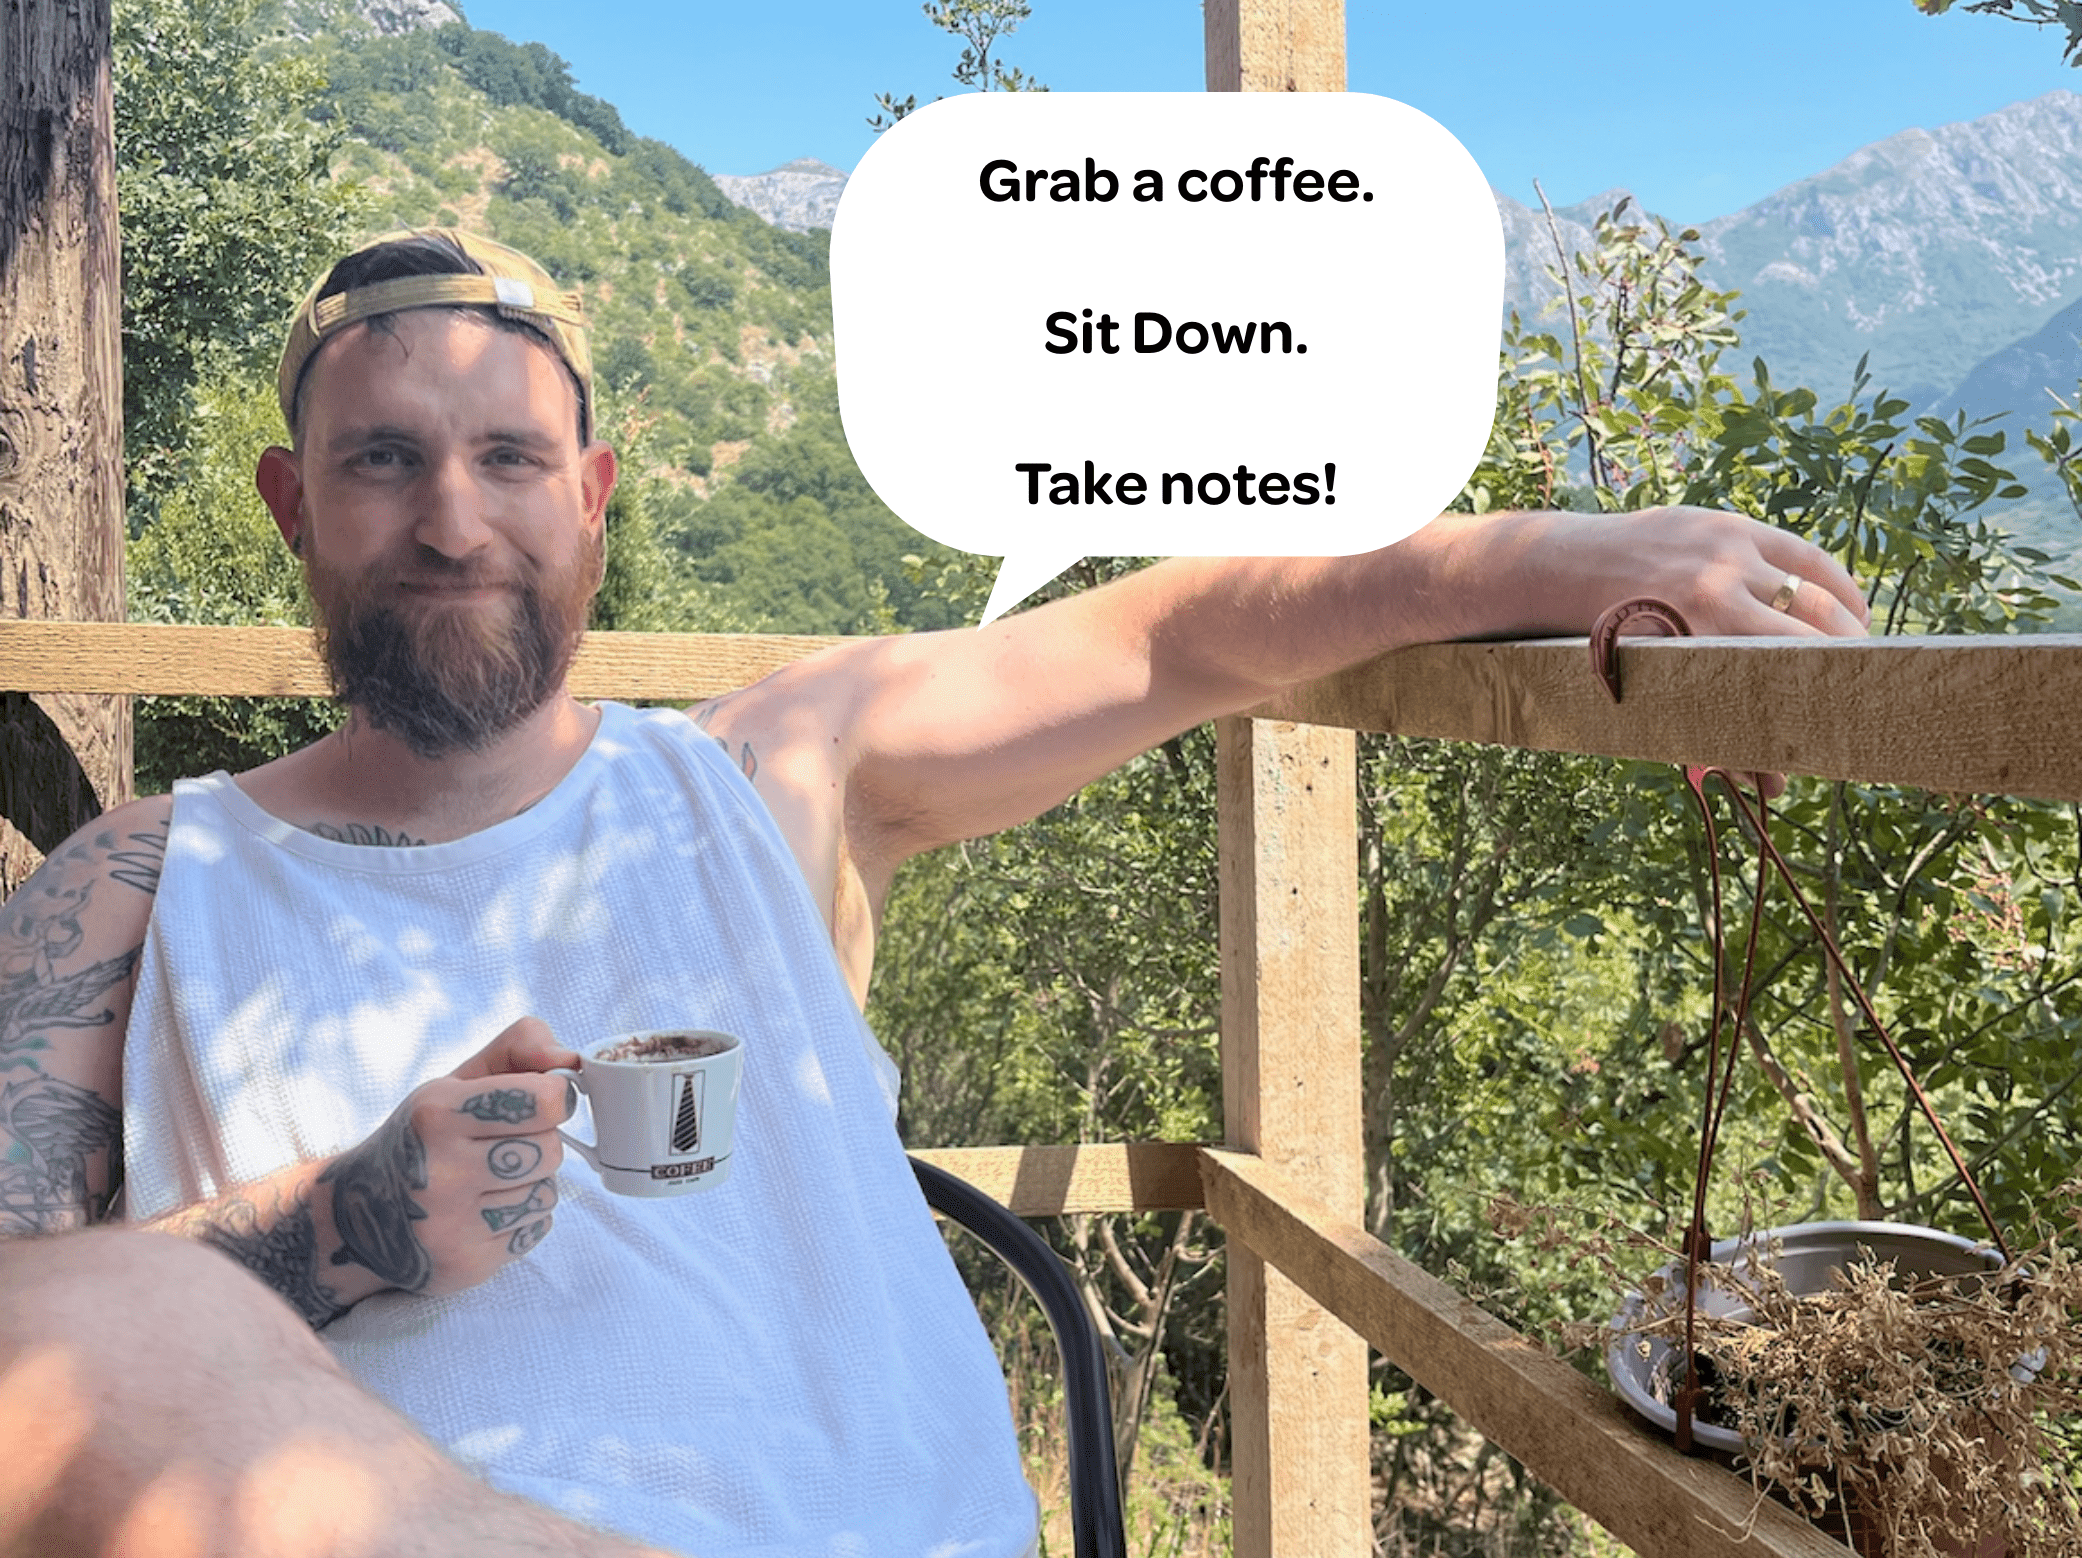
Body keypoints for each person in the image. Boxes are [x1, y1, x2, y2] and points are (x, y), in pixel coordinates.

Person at [0, 228, 1870, 1558]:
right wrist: (333, 1228)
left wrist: (1592, 557)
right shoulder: (139, 887)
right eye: (382, 460)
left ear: (594, 498)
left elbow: (1192, 627)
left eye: (506, 460)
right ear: (289, 500)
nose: (451, 519)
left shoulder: (765, 773)